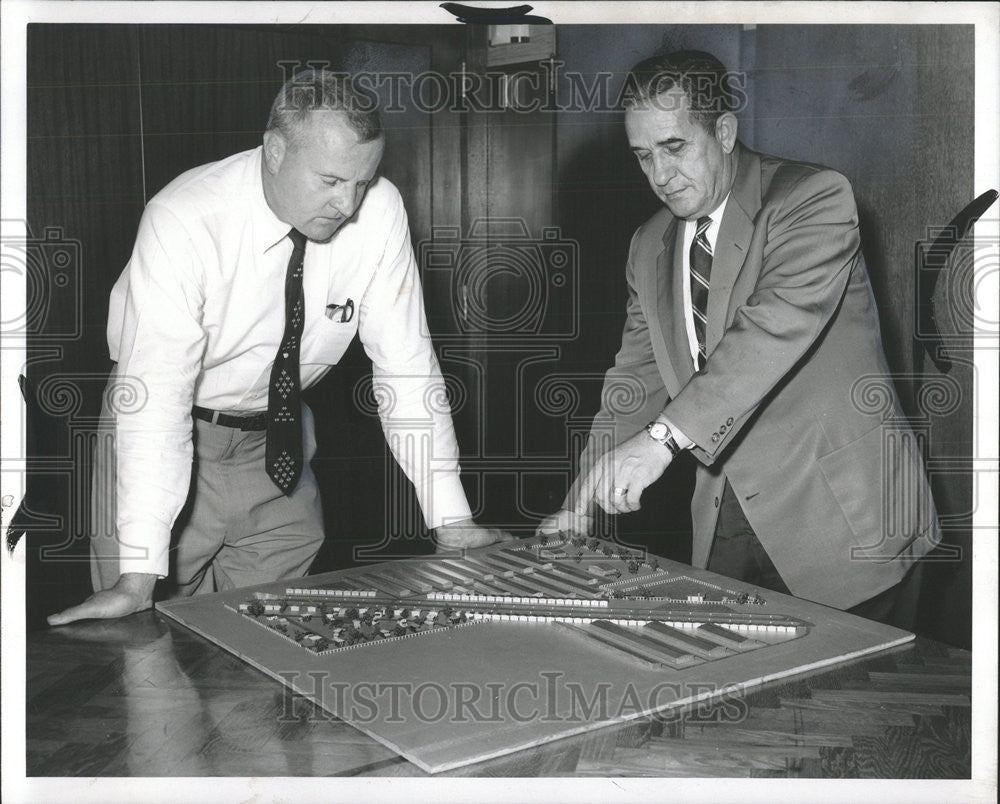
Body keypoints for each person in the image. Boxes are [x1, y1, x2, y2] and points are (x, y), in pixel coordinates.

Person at [49, 70, 509, 626]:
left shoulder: (379, 209)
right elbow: (156, 394)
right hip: (165, 435)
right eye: (331, 180)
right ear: (273, 151)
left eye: (362, 181)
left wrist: (451, 519)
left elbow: (406, 366)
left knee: (273, 660)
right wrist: (139, 572)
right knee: (149, 661)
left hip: (279, 445)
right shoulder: (186, 217)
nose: (348, 203)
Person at [537, 50, 940, 627]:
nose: (659, 175)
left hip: (849, 523)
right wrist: (579, 505)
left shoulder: (813, 199)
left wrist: (660, 442)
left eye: (675, 147)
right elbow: (633, 382)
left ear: (723, 131)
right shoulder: (647, 245)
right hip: (727, 524)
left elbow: (769, 330)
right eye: (644, 156)